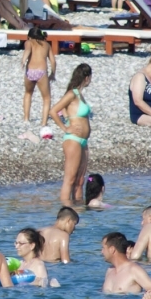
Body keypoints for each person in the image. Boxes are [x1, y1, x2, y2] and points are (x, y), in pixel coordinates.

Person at [50, 63, 93, 206]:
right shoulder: (71, 94)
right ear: (86, 78)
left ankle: (79, 212)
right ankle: (66, 212)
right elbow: (53, 110)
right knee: (70, 179)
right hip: (73, 140)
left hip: (83, 141)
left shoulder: (80, 95)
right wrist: (65, 128)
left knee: (80, 181)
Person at [21, 26, 54, 129]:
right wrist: (53, 73)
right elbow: (53, 61)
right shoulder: (47, 45)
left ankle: (26, 119)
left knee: (28, 93)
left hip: (30, 71)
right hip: (41, 72)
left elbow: (27, 51)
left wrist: (23, 61)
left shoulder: (29, 42)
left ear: (29, 36)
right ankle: (43, 123)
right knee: (46, 98)